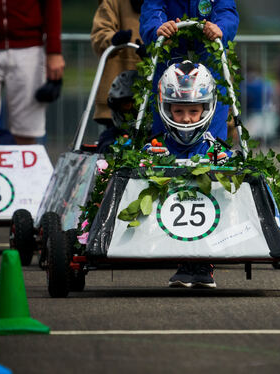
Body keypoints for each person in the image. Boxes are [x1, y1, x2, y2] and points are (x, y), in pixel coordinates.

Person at [145, 60, 230, 288]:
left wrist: (224, 163)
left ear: (206, 108)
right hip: (161, 226)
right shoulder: (157, 146)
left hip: (213, 222)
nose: (186, 118)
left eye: (193, 110)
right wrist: (148, 159)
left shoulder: (214, 148)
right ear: (166, 108)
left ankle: (203, 265)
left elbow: (230, 163)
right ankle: (186, 262)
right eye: (178, 110)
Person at [139, 0, 239, 141]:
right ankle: (164, 158)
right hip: (168, 62)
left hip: (209, 61)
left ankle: (214, 158)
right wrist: (158, 29)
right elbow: (152, 10)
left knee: (213, 134)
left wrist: (220, 28)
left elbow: (226, 11)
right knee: (164, 130)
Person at [0, 0, 65, 145]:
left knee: (27, 130)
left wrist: (54, 51)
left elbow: (52, 3)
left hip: (29, 48)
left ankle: (29, 167)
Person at [91, 0, 145, 126]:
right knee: (111, 142)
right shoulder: (112, 2)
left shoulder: (166, 4)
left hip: (155, 101)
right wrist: (113, 40)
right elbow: (100, 34)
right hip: (115, 102)